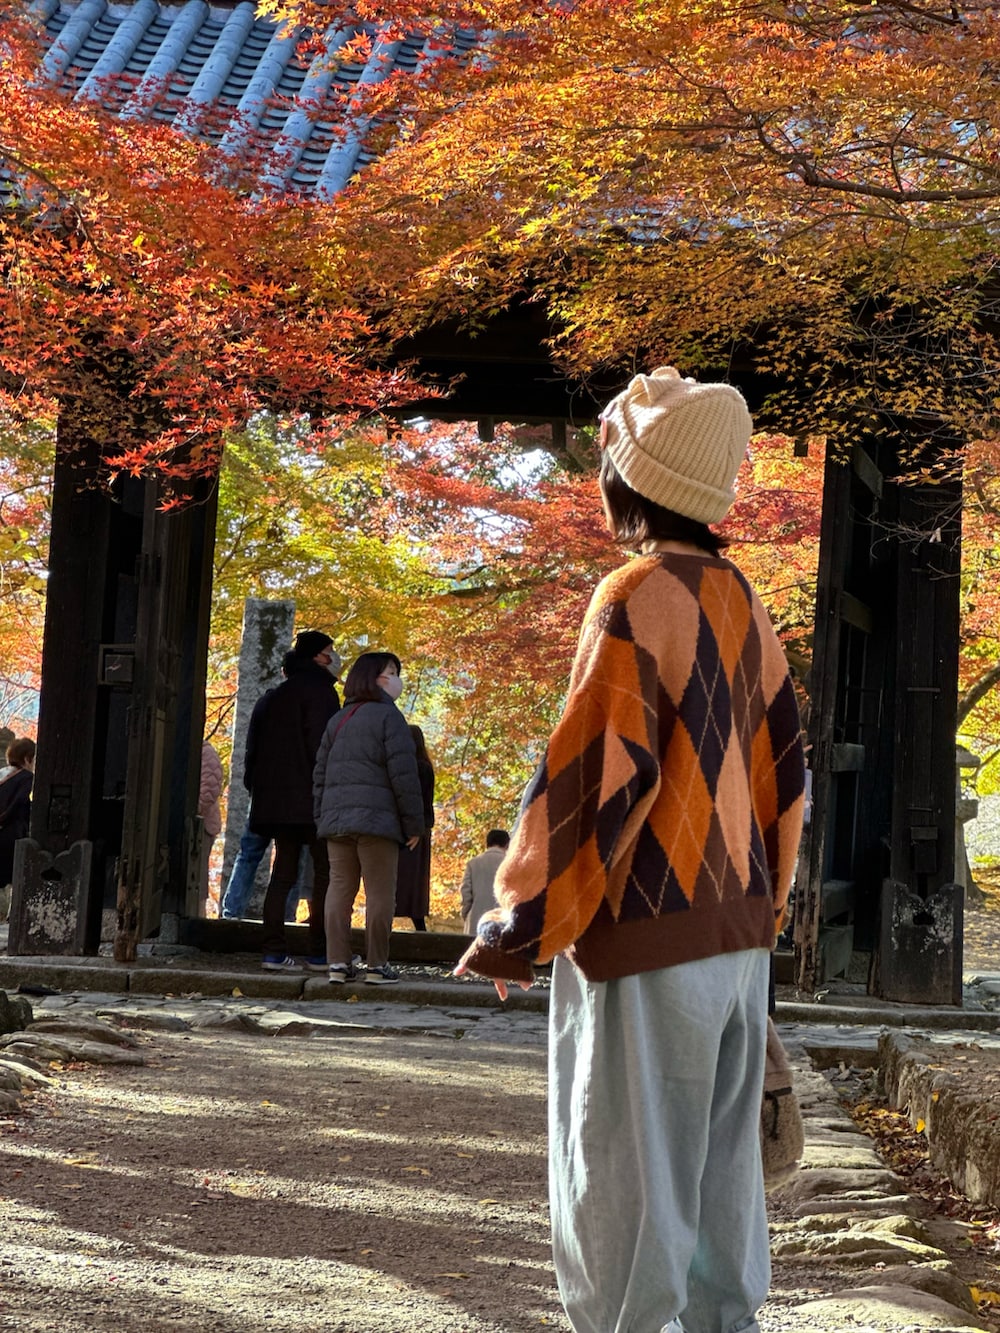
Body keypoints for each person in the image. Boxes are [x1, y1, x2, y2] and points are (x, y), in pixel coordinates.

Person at [456, 366, 806, 1333]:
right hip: (736, 936)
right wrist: (762, 911)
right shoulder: (744, 601)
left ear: (631, 477)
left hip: (646, 930)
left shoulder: (636, 594)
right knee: (723, 1183)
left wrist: (520, 917)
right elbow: (787, 775)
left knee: (623, 1175)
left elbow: (592, 776)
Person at [313, 651, 425, 984]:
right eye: (391, 672)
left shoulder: (338, 720)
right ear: (375, 677)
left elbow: (320, 774)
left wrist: (322, 816)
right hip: (379, 823)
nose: (396, 679)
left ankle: (337, 963)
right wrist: (414, 824)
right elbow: (404, 776)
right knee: (379, 894)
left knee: (339, 892)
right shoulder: (390, 719)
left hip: (337, 822)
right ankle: (377, 964)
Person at [245, 630, 341, 971]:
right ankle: (321, 951)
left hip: (277, 803)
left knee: (281, 875)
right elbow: (323, 748)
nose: (334, 657)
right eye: (330, 651)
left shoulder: (273, 697)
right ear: (318, 656)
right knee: (325, 876)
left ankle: (273, 950)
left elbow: (253, 751)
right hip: (314, 800)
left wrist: (257, 790)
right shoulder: (323, 695)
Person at [393, 725, 435, 930]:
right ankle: (418, 922)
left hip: (408, 829)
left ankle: (391, 916)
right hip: (420, 828)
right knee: (414, 880)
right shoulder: (425, 766)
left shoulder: (412, 768)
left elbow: (417, 800)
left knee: (399, 876)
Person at [0, 737, 36, 891]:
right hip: (11, 839)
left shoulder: (2, 774)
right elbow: (21, 805)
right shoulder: (27, 779)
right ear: (28, 758)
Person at [459, 828, 510, 934]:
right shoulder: (510, 864)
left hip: (476, 919)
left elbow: (466, 893)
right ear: (507, 845)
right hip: (503, 920)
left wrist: (466, 915)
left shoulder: (473, 863)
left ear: (487, 843)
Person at [198, 740, 224, 911]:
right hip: (200, 822)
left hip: (203, 824)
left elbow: (210, 789)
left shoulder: (206, 753)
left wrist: (194, 810)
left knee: (198, 876)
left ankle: (198, 912)